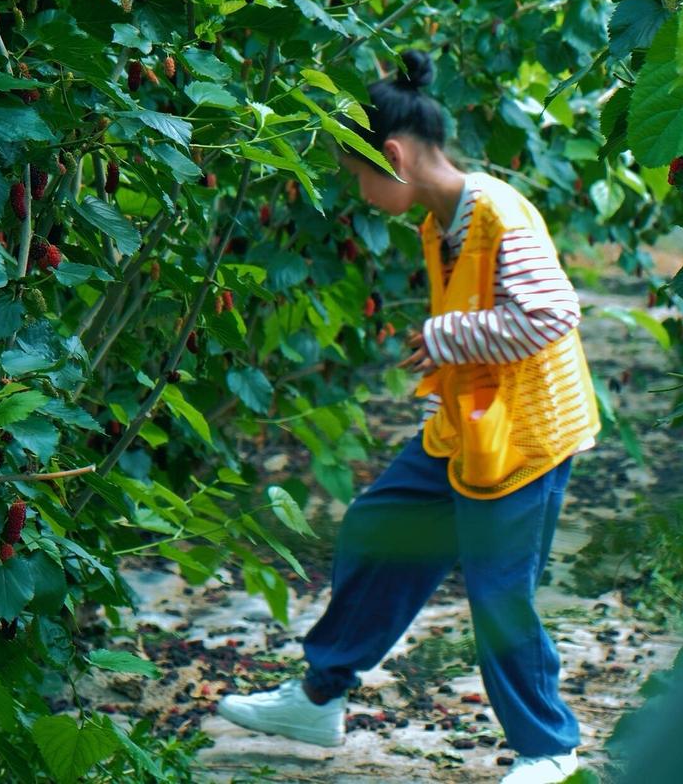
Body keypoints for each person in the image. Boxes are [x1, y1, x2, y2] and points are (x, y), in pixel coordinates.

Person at [218, 49, 601, 784]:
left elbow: (554, 313)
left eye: (357, 175)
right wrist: (446, 361)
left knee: (499, 596)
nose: (359, 193)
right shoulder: (439, 223)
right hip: (467, 430)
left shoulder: (498, 213)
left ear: (392, 156)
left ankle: (550, 750)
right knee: (377, 527)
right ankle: (318, 699)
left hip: (526, 439)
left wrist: (444, 336)